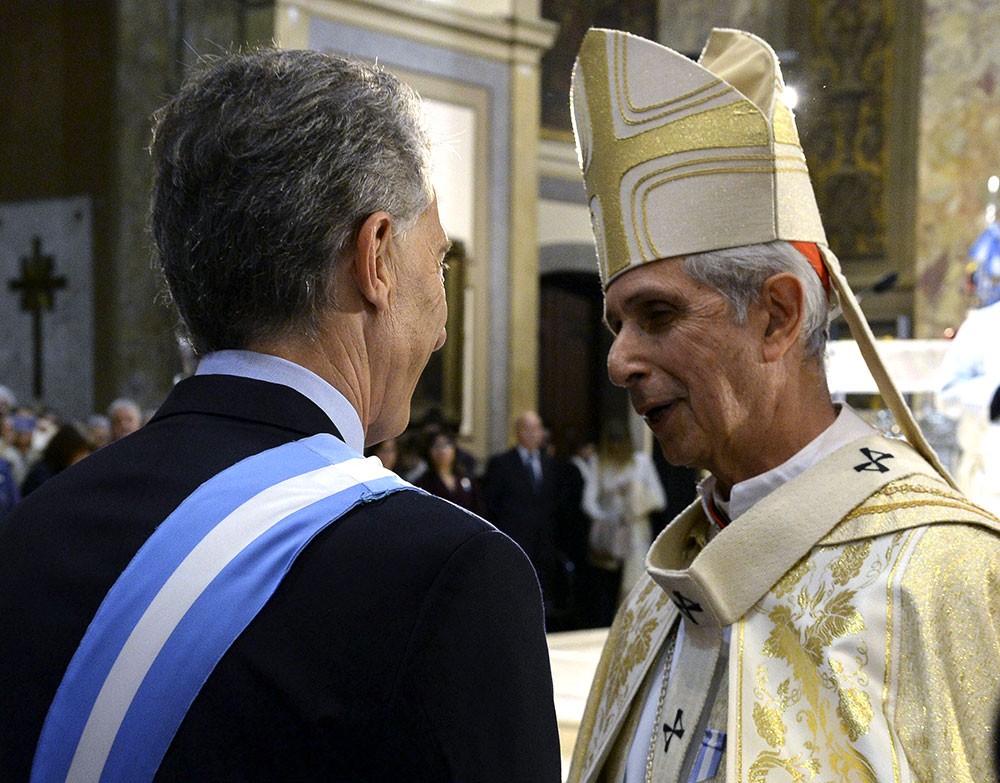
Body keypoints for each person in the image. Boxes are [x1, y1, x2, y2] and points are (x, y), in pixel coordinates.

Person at [0, 49, 559, 782]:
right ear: (377, 258)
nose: (444, 320)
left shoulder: (33, 531)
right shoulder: (450, 575)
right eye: (440, 263)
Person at [565, 28, 1000, 783]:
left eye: (657, 316)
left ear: (777, 314)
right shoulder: (660, 592)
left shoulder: (943, 576)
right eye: (617, 324)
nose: (618, 359)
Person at [483, 410, 565, 622]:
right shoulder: (501, 463)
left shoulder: (551, 465)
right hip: (514, 541)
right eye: (526, 429)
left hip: (544, 544)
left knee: (541, 602)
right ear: (517, 432)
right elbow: (491, 505)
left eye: (536, 428)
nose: (532, 433)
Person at [581, 420, 665, 601]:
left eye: (620, 442)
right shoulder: (599, 462)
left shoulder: (641, 462)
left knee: (634, 591)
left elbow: (659, 500)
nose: (616, 447)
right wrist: (607, 518)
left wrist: (634, 490)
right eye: (612, 443)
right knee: (606, 590)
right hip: (610, 537)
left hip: (636, 535)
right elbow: (588, 502)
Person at [414, 429, 486, 516]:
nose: (442, 451)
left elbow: (478, 508)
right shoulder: (423, 483)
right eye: (436, 446)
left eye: (446, 444)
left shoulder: (465, 478)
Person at [21, 423, 93, 496]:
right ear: (67, 452)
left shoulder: (70, 473)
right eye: (81, 453)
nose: (85, 457)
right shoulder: (42, 475)